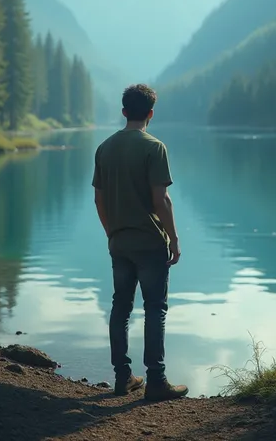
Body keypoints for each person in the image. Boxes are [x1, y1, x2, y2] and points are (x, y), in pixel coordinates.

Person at [92, 83, 188, 401]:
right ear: (150, 114)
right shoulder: (154, 147)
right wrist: (173, 238)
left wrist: (111, 233)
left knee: (120, 308)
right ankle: (156, 382)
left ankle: (123, 378)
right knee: (154, 310)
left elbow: (99, 199)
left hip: (119, 242)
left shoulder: (104, 148)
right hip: (149, 243)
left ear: (123, 112)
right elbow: (161, 200)